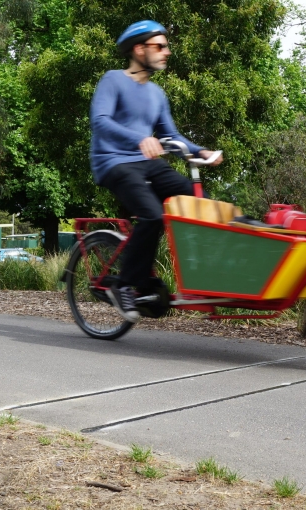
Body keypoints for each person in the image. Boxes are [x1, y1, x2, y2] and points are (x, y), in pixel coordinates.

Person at [89, 20, 223, 322]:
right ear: (139, 49)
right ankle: (122, 286)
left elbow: (171, 136)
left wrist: (200, 151)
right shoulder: (112, 80)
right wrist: (139, 138)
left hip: (146, 163)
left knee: (199, 201)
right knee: (152, 215)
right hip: (113, 161)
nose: (167, 52)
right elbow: (100, 121)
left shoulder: (157, 94)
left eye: (166, 46)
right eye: (160, 46)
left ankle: (204, 279)